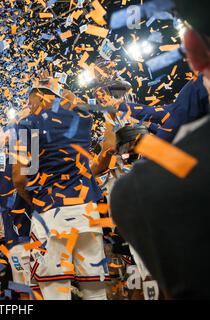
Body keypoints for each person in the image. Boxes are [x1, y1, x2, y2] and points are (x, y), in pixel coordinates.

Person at [110, 0, 210, 299]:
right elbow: (169, 115)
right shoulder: (191, 94)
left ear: (192, 47)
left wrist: (142, 142)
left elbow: (174, 136)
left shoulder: (140, 189)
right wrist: (130, 109)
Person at [12, 78, 110, 300]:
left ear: (39, 97)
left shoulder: (28, 122)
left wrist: (31, 199)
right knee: (95, 292)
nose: (28, 106)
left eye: (30, 100)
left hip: (50, 213)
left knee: (55, 292)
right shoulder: (83, 116)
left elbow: (19, 178)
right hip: (87, 212)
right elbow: (110, 147)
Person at [0, 128, 34, 300]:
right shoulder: (29, 160)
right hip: (32, 236)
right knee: (43, 289)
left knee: (25, 292)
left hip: (14, 239)